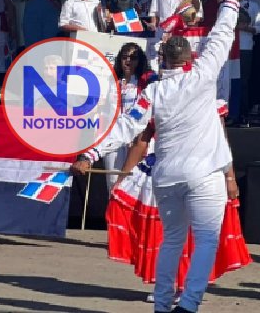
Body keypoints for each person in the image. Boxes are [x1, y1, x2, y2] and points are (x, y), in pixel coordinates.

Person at [73, 0, 248, 313]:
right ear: (189, 56)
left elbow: (124, 127)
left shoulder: (152, 93)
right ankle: (189, 303)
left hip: (167, 177)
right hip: (204, 175)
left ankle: (163, 305)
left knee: (171, 242)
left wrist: (90, 153)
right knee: (207, 241)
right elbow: (222, 34)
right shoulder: (202, 76)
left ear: (163, 59)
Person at [104, 99, 248, 299]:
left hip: (201, 173)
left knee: (192, 232)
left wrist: (229, 177)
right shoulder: (158, 98)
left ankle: (186, 287)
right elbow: (141, 142)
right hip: (165, 173)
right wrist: (123, 176)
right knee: (167, 233)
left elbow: (221, 143)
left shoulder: (208, 102)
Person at [102, 43, 154, 191]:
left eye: (133, 58)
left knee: (132, 180)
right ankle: (111, 211)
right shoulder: (111, 80)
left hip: (136, 136)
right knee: (112, 180)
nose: (128, 61)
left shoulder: (146, 79)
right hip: (114, 134)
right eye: (124, 57)